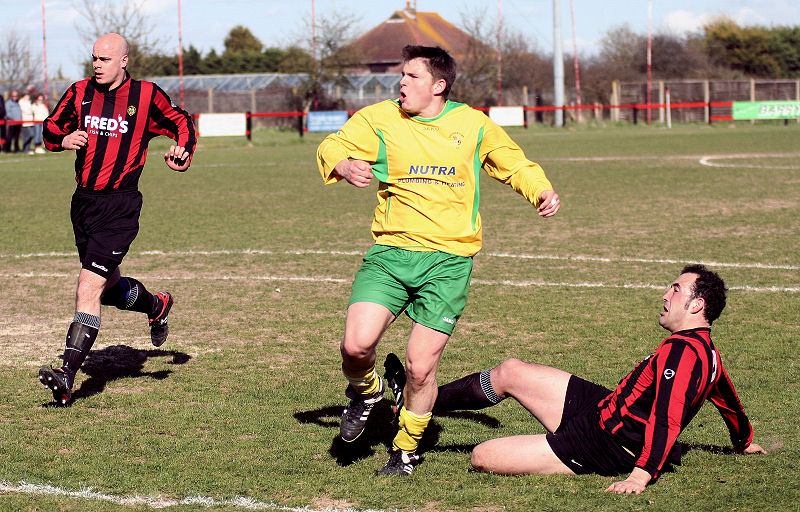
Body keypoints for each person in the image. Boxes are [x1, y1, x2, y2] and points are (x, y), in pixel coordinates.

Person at [316, 45, 560, 476]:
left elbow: (514, 164)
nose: (401, 83)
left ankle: (406, 449)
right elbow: (333, 144)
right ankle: (367, 394)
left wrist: (539, 189)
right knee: (355, 347)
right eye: (402, 76)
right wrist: (344, 164)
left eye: (411, 76)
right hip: (391, 254)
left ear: (438, 85)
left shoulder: (472, 124)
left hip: (448, 262)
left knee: (420, 367)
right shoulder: (380, 118)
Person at [383, 264, 766, 492]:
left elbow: (667, 416)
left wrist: (641, 474)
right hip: (601, 406)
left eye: (676, 288)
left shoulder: (682, 352)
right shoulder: (707, 351)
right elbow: (727, 398)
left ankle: (415, 408)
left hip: (606, 445)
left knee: (483, 456)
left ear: (695, 304)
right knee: (510, 371)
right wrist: (744, 440)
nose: (666, 294)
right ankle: (413, 401)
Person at [38, 32, 196, 406]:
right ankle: (156, 305)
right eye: (94, 58)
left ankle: (66, 375)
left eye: (105, 59)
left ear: (123, 61)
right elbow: (49, 128)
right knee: (108, 289)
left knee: (87, 288)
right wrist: (62, 140)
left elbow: (182, 122)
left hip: (121, 207)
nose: (97, 64)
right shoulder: (79, 92)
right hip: (84, 204)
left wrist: (183, 151)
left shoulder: (146, 95)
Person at [19, 90, 35, 154]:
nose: (28, 97)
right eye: (27, 96)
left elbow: (33, 109)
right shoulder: (21, 102)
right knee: (28, 135)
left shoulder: (29, 102)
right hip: (25, 122)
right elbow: (27, 111)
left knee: (30, 136)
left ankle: (27, 149)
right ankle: (25, 149)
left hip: (31, 121)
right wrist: (31, 110)